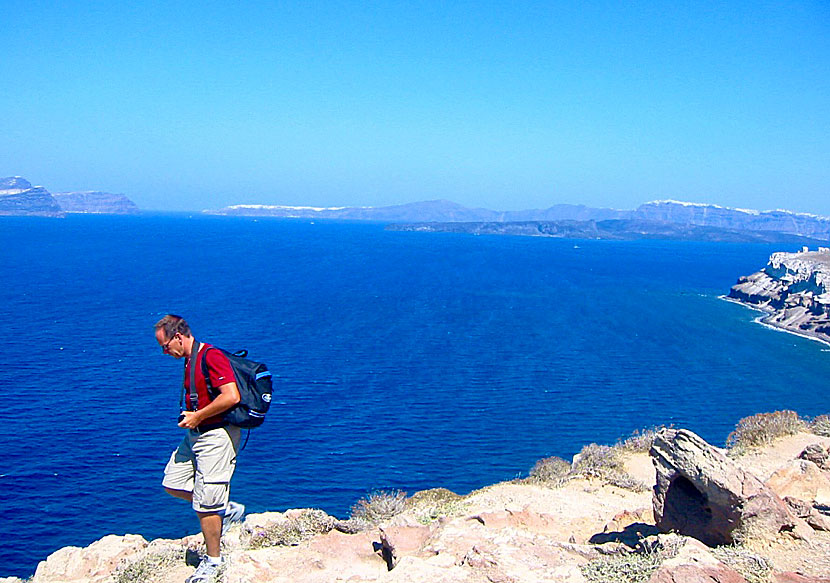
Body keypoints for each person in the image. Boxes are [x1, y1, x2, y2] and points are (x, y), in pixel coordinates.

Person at [155, 314, 246, 583]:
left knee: (206, 504)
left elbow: (231, 396)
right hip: (196, 434)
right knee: (173, 482)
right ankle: (226, 509)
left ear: (178, 337)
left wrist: (198, 416)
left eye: (164, 345)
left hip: (216, 436)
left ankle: (213, 562)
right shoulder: (190, 359)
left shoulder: (211, 356)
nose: (164, 351)